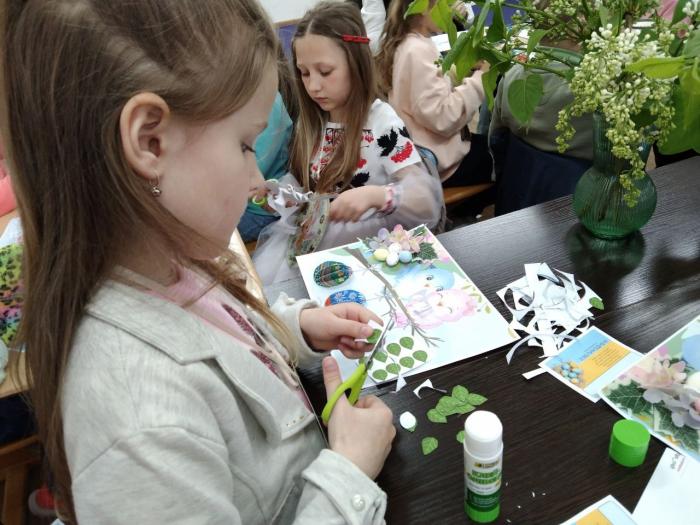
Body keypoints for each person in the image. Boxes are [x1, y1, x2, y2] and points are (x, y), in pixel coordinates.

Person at [0, 1, 396, 522]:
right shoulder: (140, 423)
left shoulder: (168, 256)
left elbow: (225, 336)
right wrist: (349, 472)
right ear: (150, 140)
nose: (256, 178)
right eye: (246, 145)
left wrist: (296, 329)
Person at [253, 1, 443, 285]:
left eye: (325, 71)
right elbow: (307, 186)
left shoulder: (381, 123)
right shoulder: (313, 123)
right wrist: (279, 194)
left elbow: (424, 200)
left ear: (356, 64)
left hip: (368, 250)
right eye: (304, 73)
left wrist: (378, 196)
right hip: (312, 245)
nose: (313, 86)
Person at [376, 0, 492, 186]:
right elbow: (444, 117)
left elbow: (426, 93)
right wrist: (482, 78)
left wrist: (465, 70)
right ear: (424, 7)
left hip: (423, 150)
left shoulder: (407, 42)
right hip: (440, 163)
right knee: (503, 155)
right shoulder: (419, 50)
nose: (452, 12)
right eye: (448, 4)